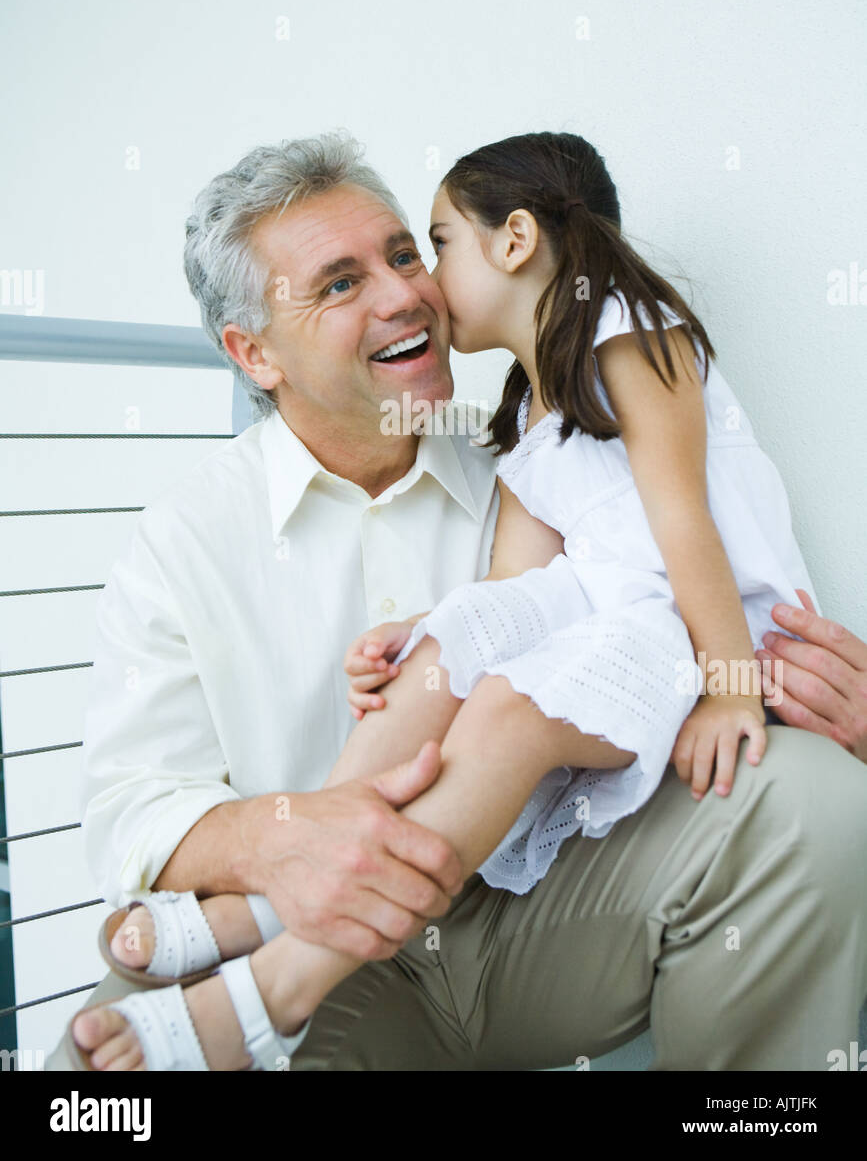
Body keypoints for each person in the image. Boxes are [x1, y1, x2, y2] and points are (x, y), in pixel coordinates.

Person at [49, 132, 867, 1072]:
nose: (407, 292)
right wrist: (297, 845)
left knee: (821, 798)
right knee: (93, 1079)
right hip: (343, 952)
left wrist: (799, 701)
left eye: (408, 252)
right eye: (341, 282)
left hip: (542, 918)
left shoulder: (528, 443)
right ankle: (273, 931)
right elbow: (130, 810)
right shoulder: (183, 541)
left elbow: (666, 567)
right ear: (254, 353)